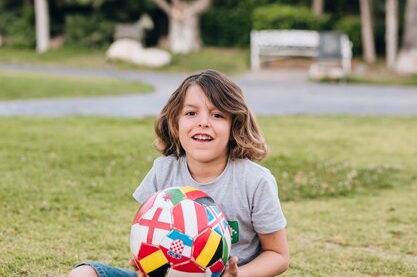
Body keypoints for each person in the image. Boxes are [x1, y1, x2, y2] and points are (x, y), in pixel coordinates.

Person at [68, 70, 289, 277]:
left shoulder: (254, 181)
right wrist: (145, 260)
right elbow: (147, 234)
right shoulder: (163, 171)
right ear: (176, 121)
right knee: (84, 273)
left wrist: (237, 275)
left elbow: (278, 255)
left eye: (217, 115)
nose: (203, 122)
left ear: (235, 125)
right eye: (191, 113)